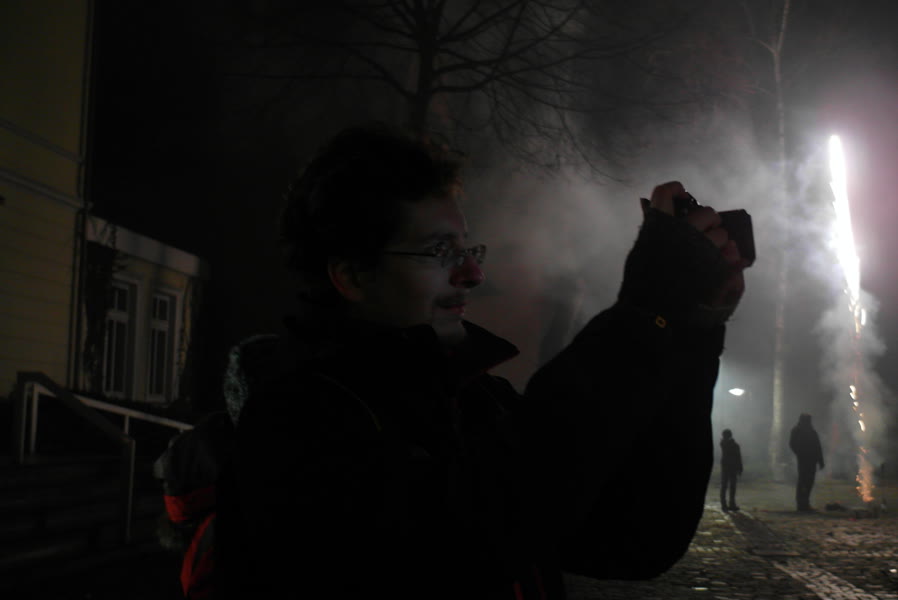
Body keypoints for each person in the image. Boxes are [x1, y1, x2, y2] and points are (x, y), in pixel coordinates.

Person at [214, 123, 749, 599]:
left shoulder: (475, 401)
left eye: (467, 248)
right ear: (352, 276)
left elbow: (635, 540)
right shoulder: (294, 418)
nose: (472, 274)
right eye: (439, 251)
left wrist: (691, 328)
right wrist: (644, 312)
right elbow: (465, 541)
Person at [789, 413, 825, 511]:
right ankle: (801, 504)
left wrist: (820, 461)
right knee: (803, 481)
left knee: (809, 482)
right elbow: (792, 444)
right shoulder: (797, 431)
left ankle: (805, 503)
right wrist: (800, 453)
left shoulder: (812, 432)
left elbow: (817, 447)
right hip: (804, 460)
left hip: (811, 460)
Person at [719, 429, 743, 511]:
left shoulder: (724, 443)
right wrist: (740, 468)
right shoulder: (733, 445)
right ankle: (731, 504)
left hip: (726, 467)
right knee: (731, 487)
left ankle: (724, 505)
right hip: (732, 467)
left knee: (724, 486)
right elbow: (738, 457)